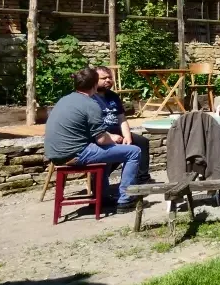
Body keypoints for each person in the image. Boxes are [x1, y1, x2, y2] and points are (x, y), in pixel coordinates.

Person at [44, 67, 142, 213]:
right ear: (95, 84)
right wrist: (114, 137)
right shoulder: (91, 104)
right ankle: (125, 200)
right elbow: (102, 139)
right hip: (75, 154)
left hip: (54, 154)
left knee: (106, 152)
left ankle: (101, 197)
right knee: (134, 152)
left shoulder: (64, 99)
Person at [93, 66, 153, 185]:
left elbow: (122, 119)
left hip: (117, 132)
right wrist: (111, 137)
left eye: (110, 77)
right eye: (104, 78)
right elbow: (92, 126)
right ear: (94, 80)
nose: (108, 80)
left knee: (141, 142)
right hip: (100, 135)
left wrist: (127, 136)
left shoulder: (113, 96)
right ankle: (100, 181)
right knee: (117, 148)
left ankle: (142, 179)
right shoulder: (90, 98)